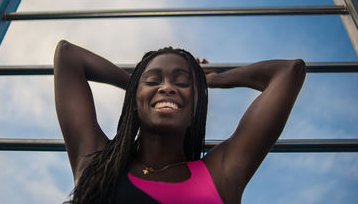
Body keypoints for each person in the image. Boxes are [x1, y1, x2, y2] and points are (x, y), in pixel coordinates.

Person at [54, 40, 306, 204]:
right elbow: (68, 55)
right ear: (133, 98)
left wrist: (211, 81)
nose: (167, 88)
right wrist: (135, 86)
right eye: (153, 81)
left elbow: (289, 72)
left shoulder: (221, 174)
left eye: (183, 83)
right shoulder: (96, 160)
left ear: (197, 104)